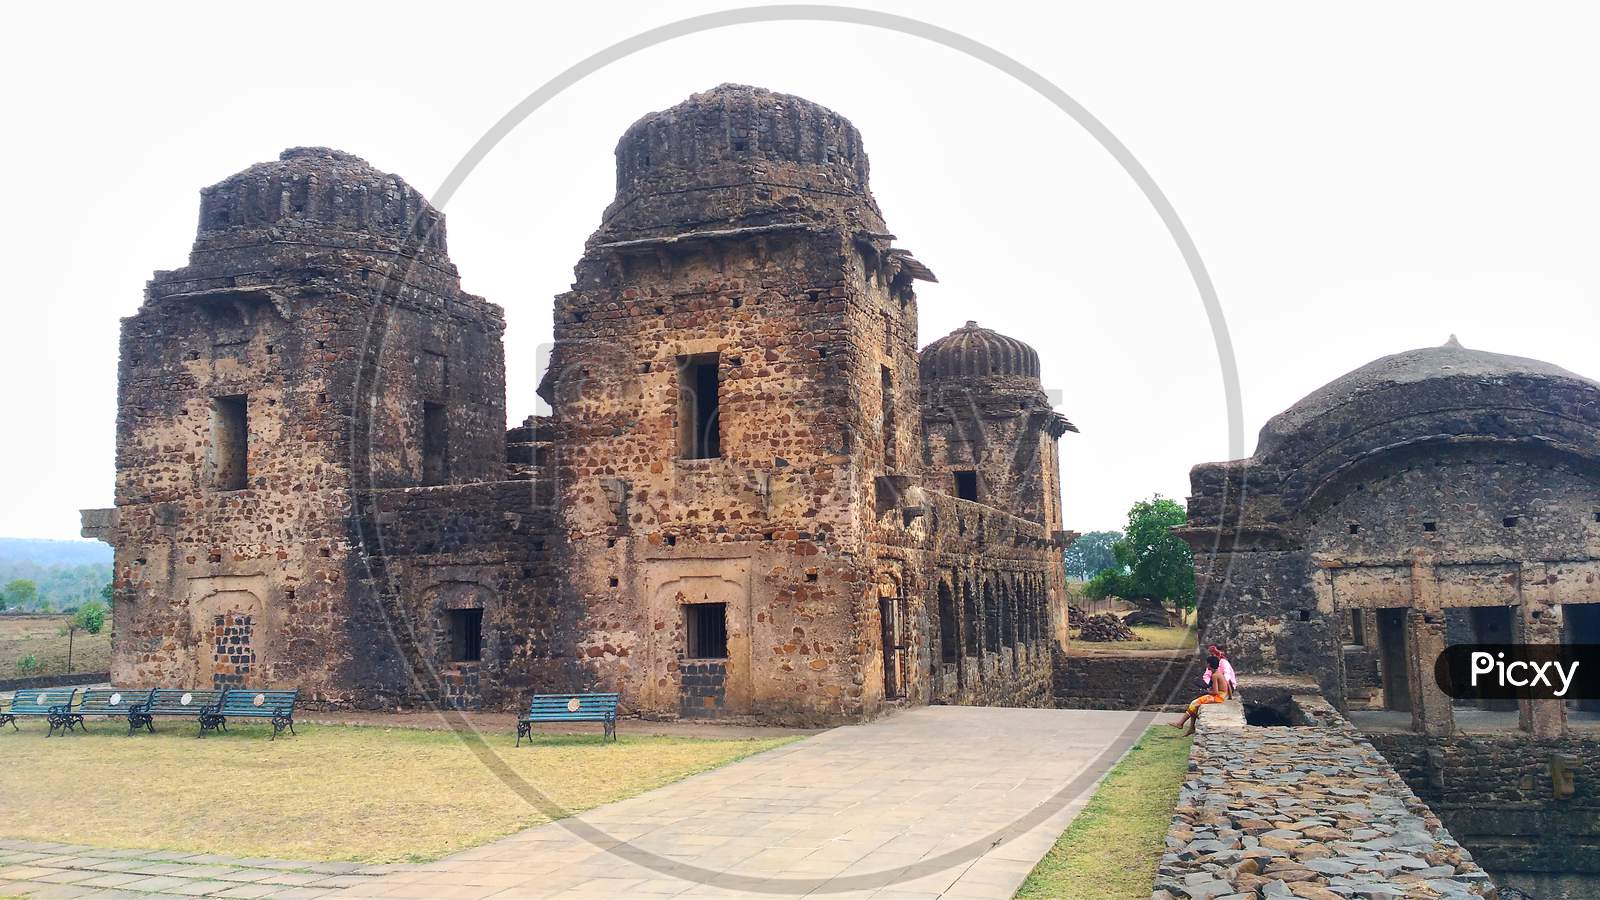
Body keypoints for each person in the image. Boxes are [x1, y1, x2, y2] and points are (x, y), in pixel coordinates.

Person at [1170, 655, 1227, 734]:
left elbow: (1216, 692)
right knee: (1196, 706)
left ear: (1209, 665)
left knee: (1194, 703)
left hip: (1218, 697)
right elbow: (1227, 685)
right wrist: (1229, 697)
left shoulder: (1214, 675)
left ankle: (1180, 723)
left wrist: (1206, 692)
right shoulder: (1219, 673)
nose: (1206, 665)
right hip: (1222, 696)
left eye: (1207, 663)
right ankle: (1191, 727)